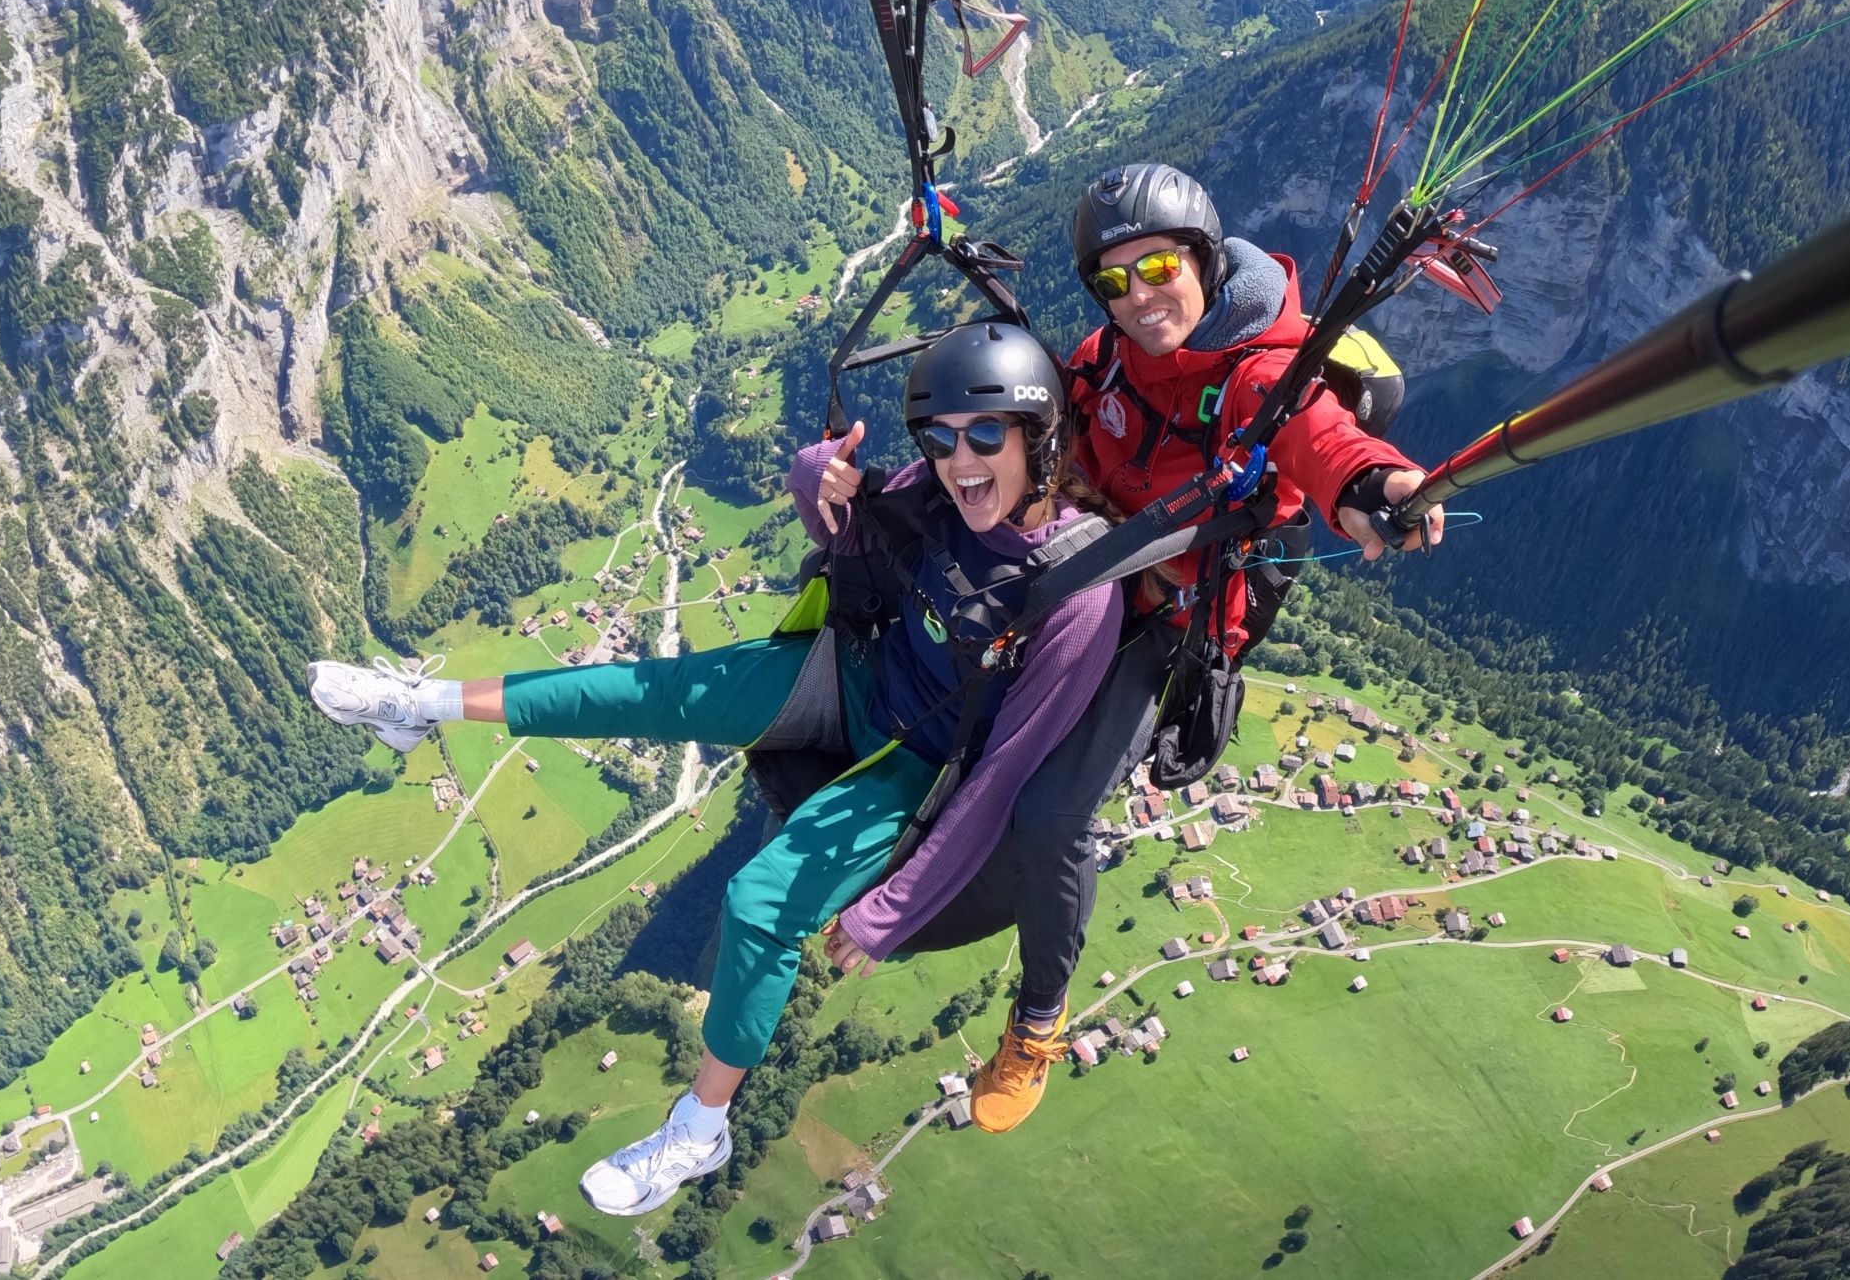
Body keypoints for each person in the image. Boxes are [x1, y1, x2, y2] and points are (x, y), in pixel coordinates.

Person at [305, 321, 1121, 1215]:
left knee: (756, 905)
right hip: (852, 676)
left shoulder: (1077, 593)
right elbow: (851, 546)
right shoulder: (935, 494)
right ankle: (418, 705)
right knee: (657, 689)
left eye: (983, 436)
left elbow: (1004, 775)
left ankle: (699, 1128)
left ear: (1037, 441)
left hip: (916, 761)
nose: (957, 460)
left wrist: (895, 908)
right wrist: (817, 486)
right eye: (938, 437)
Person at [894, 162, 1445, 1133]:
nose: (1139, 296)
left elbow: (1313, 431)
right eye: (1112, 280)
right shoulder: (1104, 362)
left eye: (1157, 268)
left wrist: (1369, 485)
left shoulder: (1252, 376)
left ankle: (1036, 1022)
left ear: (1201, 259)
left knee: (1053, 817)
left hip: (1167, 618)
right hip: (1088, 574)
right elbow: (1025, 425)